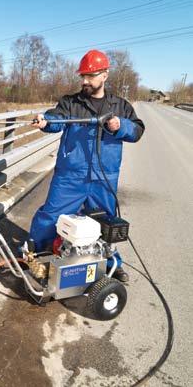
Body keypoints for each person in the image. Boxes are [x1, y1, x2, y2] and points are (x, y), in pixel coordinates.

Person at [29, 49, 145, 282]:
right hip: (71, 175)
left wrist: (119, 125)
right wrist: (45, 121)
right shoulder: (71, 103)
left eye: (90, 76)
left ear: (105, 75)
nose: (84, 81)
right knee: (52, 216)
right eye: (82, 76)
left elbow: (137, 130)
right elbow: (55, 119)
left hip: (104, 177)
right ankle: (39, 255)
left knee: (106, 222)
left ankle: (111, 263)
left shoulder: (121, 106)